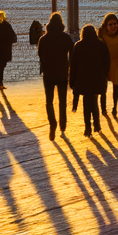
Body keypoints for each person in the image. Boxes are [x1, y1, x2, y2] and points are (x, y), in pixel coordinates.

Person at [70, 24, 111, 137]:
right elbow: (107, 62)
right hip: (98, 79)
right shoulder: (101, 46)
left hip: (84, 80)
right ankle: (96, 125)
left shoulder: (78, 46)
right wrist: (104, 75)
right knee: (94, 101)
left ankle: (88, 127)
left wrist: (72, 82)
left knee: (87, 104)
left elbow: (73, 66)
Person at [37, 11, 73, 140]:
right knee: (62, 101)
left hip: (49, 73)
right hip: (62, 72)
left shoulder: (44, 38)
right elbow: (72, 52)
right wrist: (68, 65)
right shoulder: (65, 37)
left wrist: (45, 65)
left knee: (49, 101)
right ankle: (63, 124)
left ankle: (52, 123)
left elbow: (40, 54)